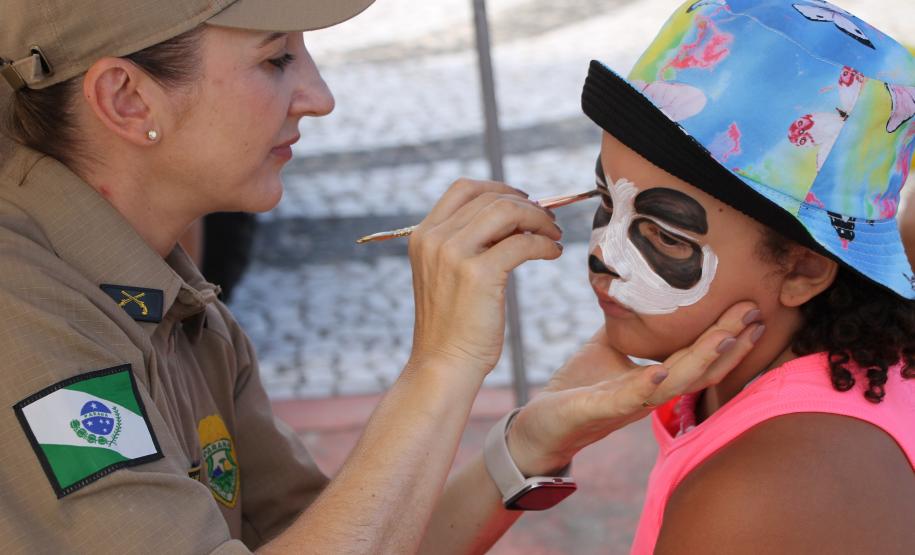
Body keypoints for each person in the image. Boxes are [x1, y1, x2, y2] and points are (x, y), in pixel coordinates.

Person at [0, 0, 761, 552]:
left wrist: (531, 437)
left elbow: (357, 537)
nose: (320, 96)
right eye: (275, 59)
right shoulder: (23, 319)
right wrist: (441, 364)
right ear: (126, 99)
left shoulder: (170, 298)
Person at [577, 0, 915, 553]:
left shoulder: (762, 492)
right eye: (604, 200)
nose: (603, 253)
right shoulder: (730, 383)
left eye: (665, 235)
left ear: (804, 269)